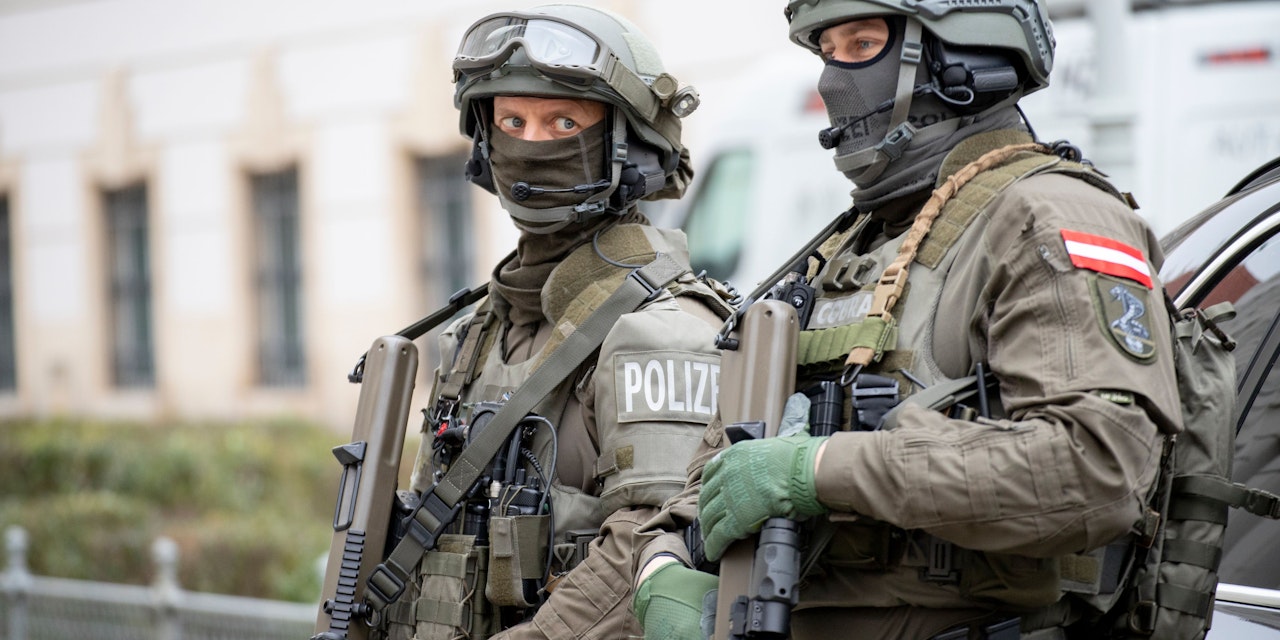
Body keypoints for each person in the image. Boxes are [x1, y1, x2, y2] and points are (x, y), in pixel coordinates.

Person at [630, 1, 1184, 638]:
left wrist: (820, 470)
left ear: (962, 55)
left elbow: (1095, 470)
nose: (833, 79)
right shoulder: (848, 247)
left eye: (862, 45)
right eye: (827, 52)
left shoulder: (1049, 217)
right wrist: (663, 566)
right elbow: (723, 465)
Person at [377, 4, 734, 639]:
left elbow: (653, 553)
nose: (530, 146)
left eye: (563, 122)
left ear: (626, 145)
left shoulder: (662, 330)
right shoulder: (479, 330)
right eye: (511, 122)